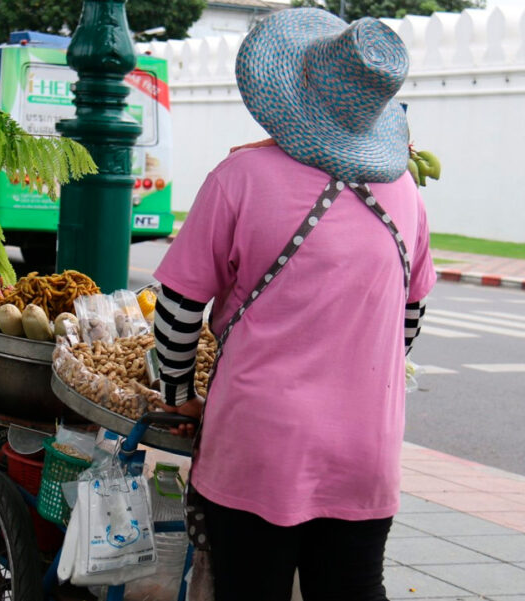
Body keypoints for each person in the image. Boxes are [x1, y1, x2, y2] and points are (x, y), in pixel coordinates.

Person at [150, 8, 435, 601]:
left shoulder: (240, 177)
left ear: (292, 94)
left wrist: (180, 397)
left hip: (259, 447)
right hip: (366, 450)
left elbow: (177, 309)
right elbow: (407, 322)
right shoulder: (405, 193)